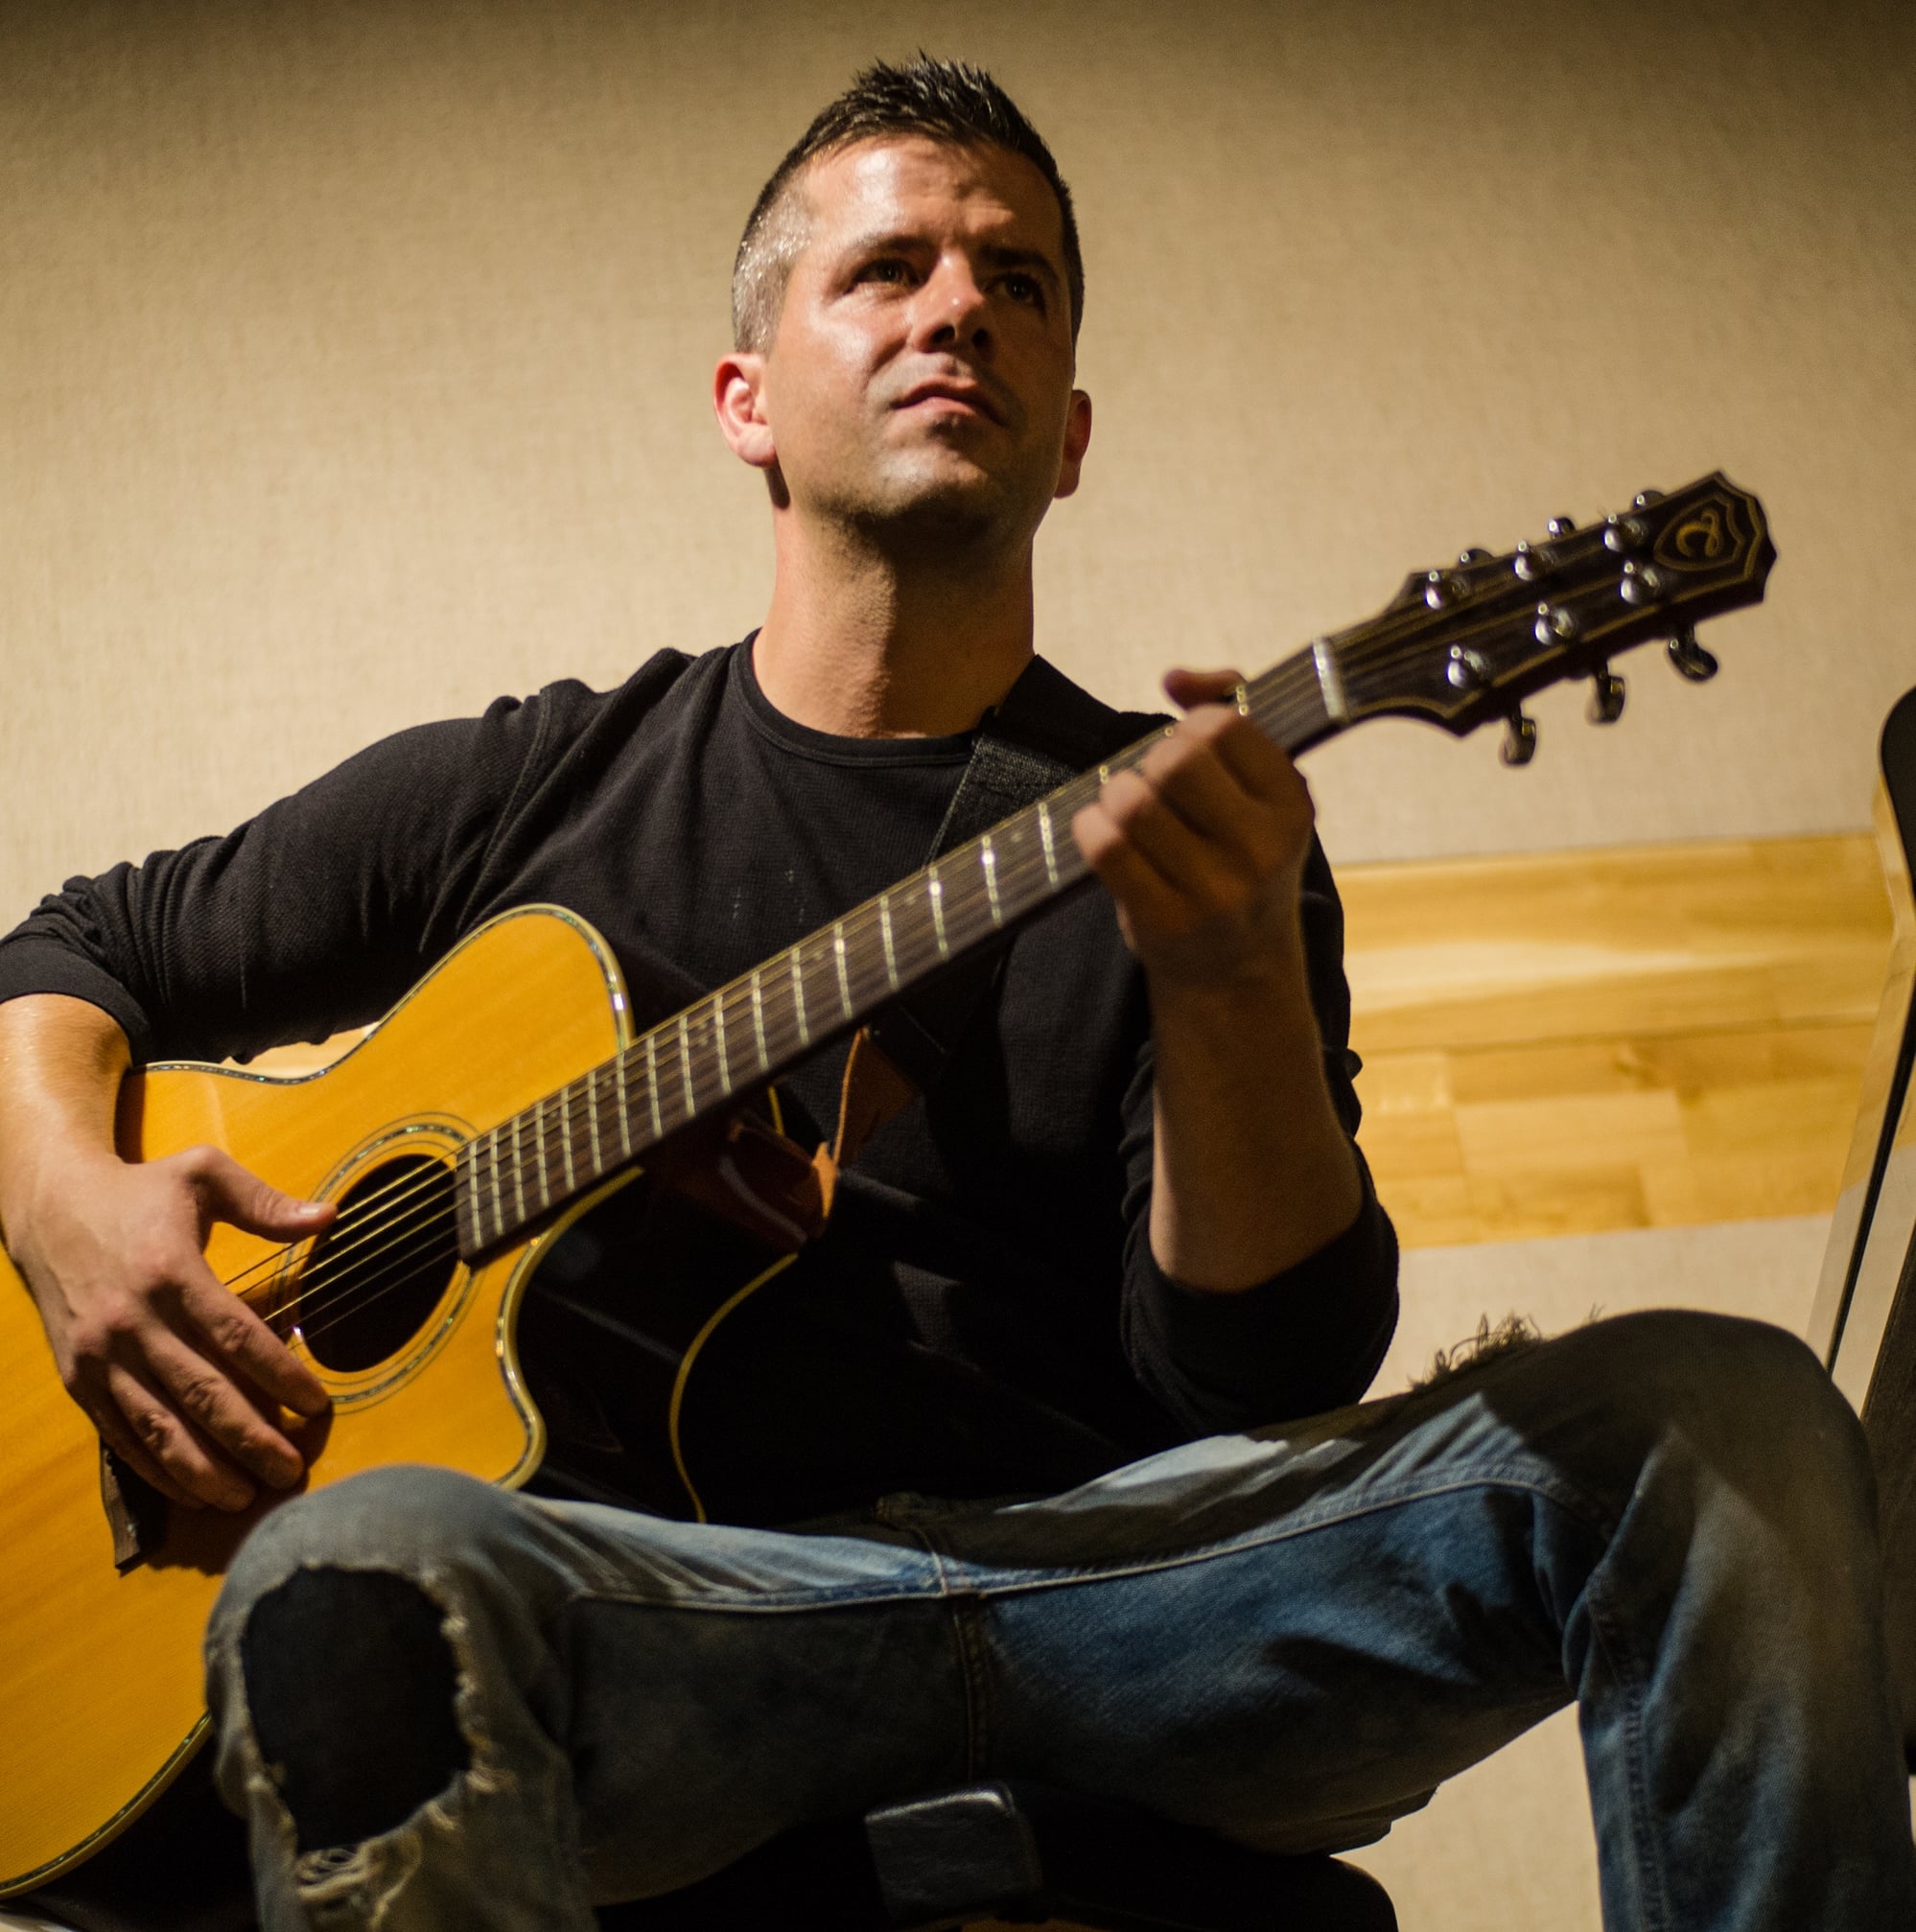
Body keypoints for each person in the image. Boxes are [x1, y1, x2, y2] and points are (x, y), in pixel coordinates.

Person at [0, 57, 1907, 1932]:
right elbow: (74, 952)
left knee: (1718, 1416)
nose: (960, 310)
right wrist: (74, 1216)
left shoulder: (1186, 836)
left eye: (1018, 280)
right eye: (887, 269)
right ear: (747, 401)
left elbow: (1259, 1383)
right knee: (355, 1558)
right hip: (678, 1623)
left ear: (1067, 434)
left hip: (1123, 1604)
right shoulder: (533, 790)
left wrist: (1228, 972)